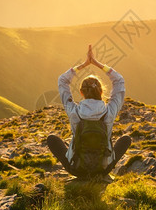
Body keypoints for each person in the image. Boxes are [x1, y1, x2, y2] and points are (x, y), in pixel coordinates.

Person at [47, 44, 131, 177]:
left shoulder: (73, 111)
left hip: (77, 169)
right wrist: (97, 64)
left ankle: (77, 166)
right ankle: (103, 167)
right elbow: (119, 81)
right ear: (102, 91)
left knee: (52, 139)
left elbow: (62, 80)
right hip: (103, 169)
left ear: (81, 92)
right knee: (126, 139)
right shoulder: (109, 111)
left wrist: (84, 65)